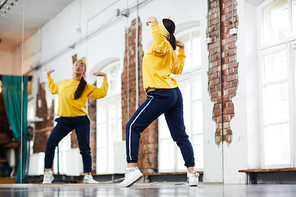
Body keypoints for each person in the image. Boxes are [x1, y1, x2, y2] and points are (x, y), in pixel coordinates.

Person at [119, 16, 199, 187]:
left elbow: (161, 45)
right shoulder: (168, 50)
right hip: (174, 93)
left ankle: (131, 170)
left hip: (161, 93)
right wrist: (182, 50)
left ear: (162, 31)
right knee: (180, 136)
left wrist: (154, 24)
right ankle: (192, 175)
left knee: (132, 127)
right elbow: (178, 68)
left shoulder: (161, 46)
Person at [42, 59, 108, 184]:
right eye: (76, 65)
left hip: (81, 120)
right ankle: (47, 173)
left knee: (84, 148)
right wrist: (48, 76)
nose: (78, 66)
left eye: (81, 65)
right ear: (73, 68)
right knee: (51, 142)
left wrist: (104, 78)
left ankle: (88, 176)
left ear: (84, 71)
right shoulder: (64, 83)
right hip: (64, 120)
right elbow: (53, 89)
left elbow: (102, 93)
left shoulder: (86, 86)